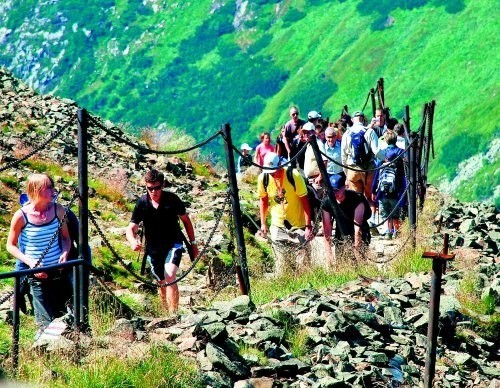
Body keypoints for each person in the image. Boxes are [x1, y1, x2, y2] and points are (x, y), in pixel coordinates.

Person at [6, 173, 72, 337]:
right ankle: (44, 352)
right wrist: (31, 263)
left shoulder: (58, 210)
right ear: (35, 190)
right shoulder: (21, 216)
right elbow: (10, 245)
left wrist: (65, 253)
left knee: (65, 317)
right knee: (45, 323)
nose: (53, 190)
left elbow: (66, 238)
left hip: (59, 272)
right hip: (37, 276)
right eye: (48, 187)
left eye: (52, 186)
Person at [126, 169, 198, 312]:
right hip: (153, 249)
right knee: (161, 282)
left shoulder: (172, 199)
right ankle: (165, 312)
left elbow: (186, 221)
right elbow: (131, 228)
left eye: (157, 188)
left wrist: (193, 244)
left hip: (174, 243)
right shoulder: (142, 203)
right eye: (150, 188)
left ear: (163, 185)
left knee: (170, 275)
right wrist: (133, 242)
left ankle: (174, 314)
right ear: (146, 187)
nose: (154, 191)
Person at [258, 152, 313, 275]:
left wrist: (308, 226)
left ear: (279, 165)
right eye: (269, 172)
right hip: (277, 225)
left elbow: (305, 201)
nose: (271, 174)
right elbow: (263, 201)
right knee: (282, 268)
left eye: (273, 171)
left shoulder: (293, 175)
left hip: (298, 224)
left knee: (304, 266)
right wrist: (263, 224)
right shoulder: (263, 179)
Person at [341, 110, 383, 227]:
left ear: (353, 120)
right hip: (368, 169)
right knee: (369, 196)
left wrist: (346, 173)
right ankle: (372, 221)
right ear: (363, 119)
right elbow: (377, 151)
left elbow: (343, 157)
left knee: (355, 198)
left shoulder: (346, 134)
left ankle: (357, 224)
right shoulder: (369, 131)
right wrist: (386, 159)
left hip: (352, 169)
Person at [322, 174, 372, 262]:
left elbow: (358, 228)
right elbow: (327, 230)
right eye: (332, 190)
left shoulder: (356, 199)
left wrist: (357, 251)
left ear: (344, 187)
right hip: (340, 231)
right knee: (342, 264)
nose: (334, 193)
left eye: (337, 190)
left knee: (359, 262)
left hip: (359, 230)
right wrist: (329, 255)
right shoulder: (327, 202)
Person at [372, 131, 406, 239]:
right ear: (396, 139)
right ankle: (396, 231)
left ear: (386, 140)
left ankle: (388, 231)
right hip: (396, 190)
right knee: (395, 212)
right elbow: (404, 172)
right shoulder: (401, 152)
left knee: (386, 213)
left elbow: (377, 173)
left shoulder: (382, 154)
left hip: (382, 191)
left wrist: (373, 190)